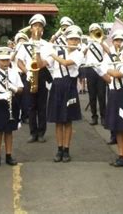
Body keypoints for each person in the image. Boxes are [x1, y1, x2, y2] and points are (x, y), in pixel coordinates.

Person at [46, 25, 84, 162]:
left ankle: (67, 150)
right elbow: (43, 63)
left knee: (67, 120)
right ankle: (59, 149)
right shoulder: (59, 51)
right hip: (57, 85)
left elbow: (66, 63)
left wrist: (52, 53)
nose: (73, 41)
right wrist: (39, 51)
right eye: (71, 39)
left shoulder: (78, 53)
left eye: (76, 39)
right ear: (66, 40)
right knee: (58, 121)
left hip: (70, 85)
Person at [16, 14, 53, 143]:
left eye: (40, 26)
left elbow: (42, 63)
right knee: (30, 107)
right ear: (30, 28)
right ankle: (33, 133)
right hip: (29, 75)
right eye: (35, 25)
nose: (37, 28)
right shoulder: (24, 44)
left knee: (42, 107)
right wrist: (27, 72)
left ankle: (42, 133)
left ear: (42, 29)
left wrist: (37, 46)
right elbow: (19, 62)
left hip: (42, 75)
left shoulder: (47, 45)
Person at [84, 23, 108, 126]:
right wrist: (89, 43)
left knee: (102, 95)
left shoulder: (103, 42)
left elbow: (109, 52)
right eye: (93, 31)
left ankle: (103, 117)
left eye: (97, 30)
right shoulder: (86, 43)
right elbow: (82, 53)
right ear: (90, 33)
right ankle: (94, 117)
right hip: (90, 69)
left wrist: (100, 41)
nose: (95, 32)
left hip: (100, 69)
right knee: (92, 95)